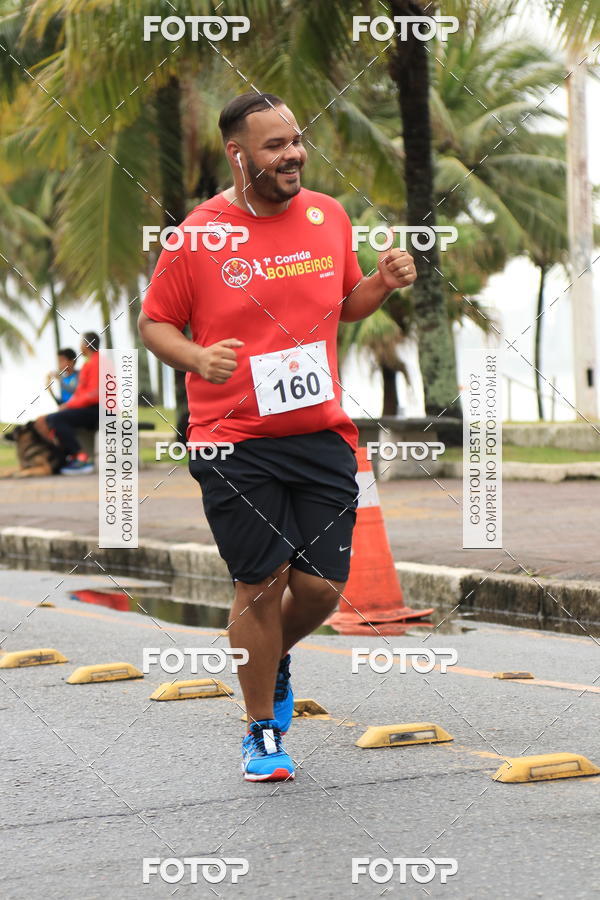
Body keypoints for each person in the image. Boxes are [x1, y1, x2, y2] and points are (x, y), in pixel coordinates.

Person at [138, 92, 416, 782]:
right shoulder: (199, 235)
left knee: (321, 590)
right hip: (232, 438)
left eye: (296, 140)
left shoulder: (328, 215)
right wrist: (197, 359)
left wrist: (380, 284)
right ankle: (262, 729)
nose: (293, 153)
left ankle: (264, 654)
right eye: (275, 145)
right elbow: (156, 324)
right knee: (260, 587)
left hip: (320, 430)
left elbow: (342, 303)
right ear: (238, 154)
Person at [35, 332, 101, 475]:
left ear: (86, 345)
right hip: (89, 408)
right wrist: (66, 404)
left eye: (80, 343)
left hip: (99, 410)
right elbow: (81, 393)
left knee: (56, 419)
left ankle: (81, 458)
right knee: (51, 419)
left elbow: (94, 394)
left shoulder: (97, 363)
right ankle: (65, 458)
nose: (79, 346)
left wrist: (69, 405)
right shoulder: (89, 364)